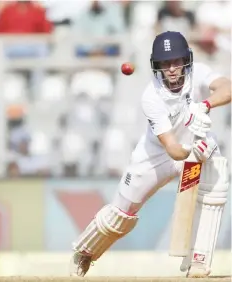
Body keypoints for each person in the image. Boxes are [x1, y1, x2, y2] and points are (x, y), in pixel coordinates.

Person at [70, 31, 231, 278]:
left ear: (186, 60)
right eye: (166, 64)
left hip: (195, 149)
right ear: (157, 66)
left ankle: (198, 261)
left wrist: (204, 105)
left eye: (177, 61)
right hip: (156, 157)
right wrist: (191, 151)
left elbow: (227, 88)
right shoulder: (151, 96)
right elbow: (173, 150)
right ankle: (85, 251)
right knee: (120, 214)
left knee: (217, 180)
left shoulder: (198, 72)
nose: (173, 69)